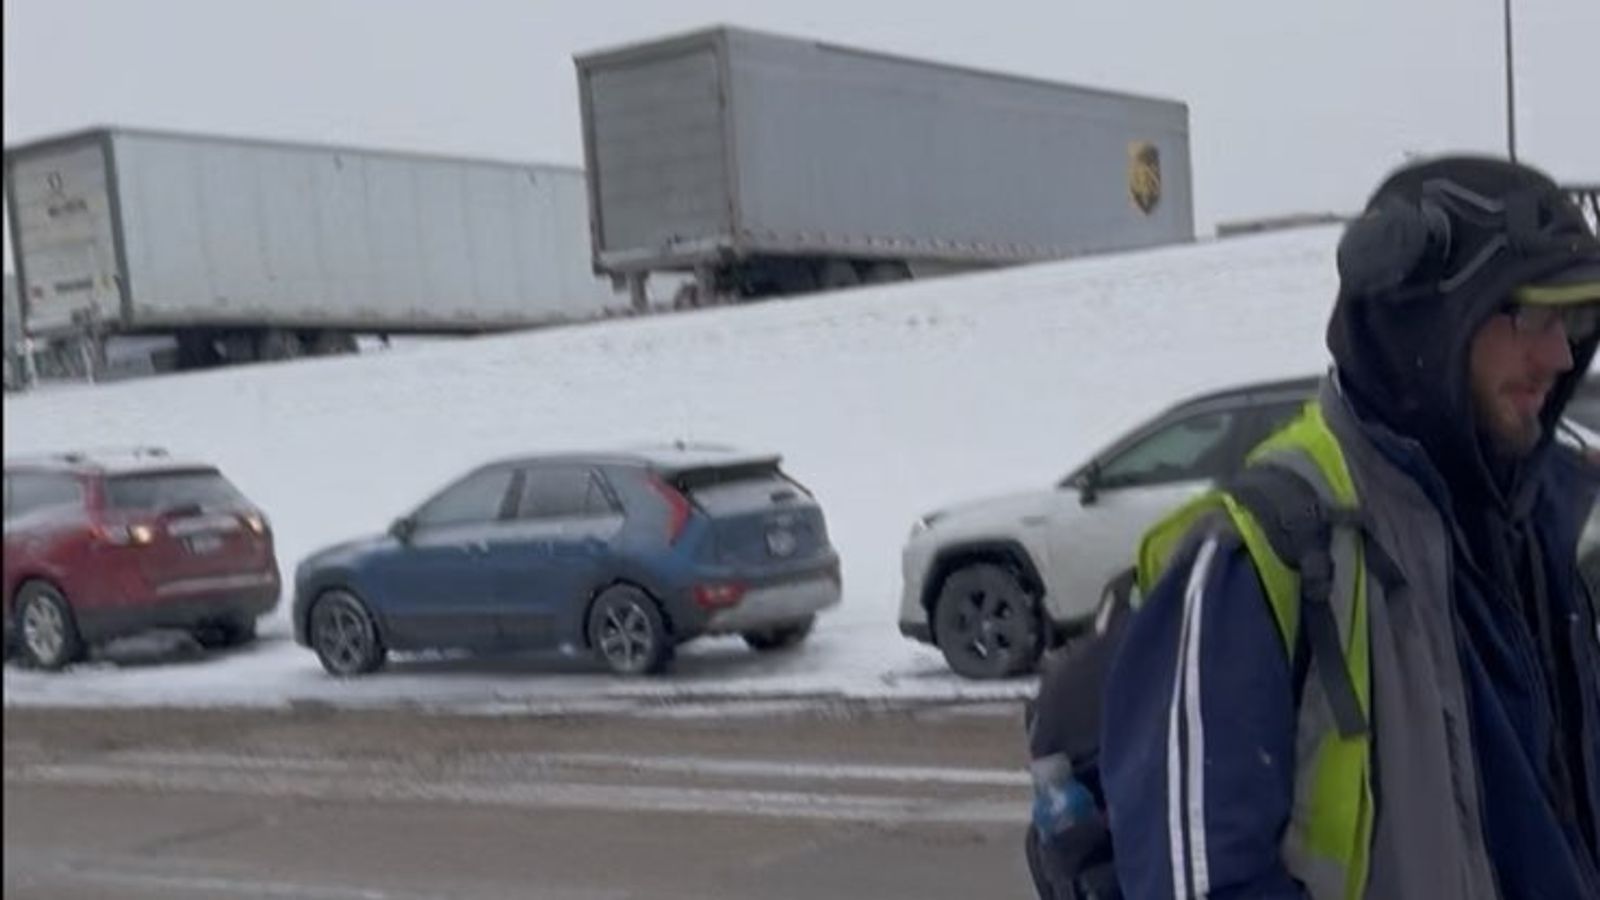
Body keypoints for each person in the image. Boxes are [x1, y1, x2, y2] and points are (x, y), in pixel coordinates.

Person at [1099, 157, 1600, 899]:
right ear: (1425, 322)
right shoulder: (1263, 551)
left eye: (1576, 320)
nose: (1559, 355)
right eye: (1530, 316)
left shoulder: (1544, 526)